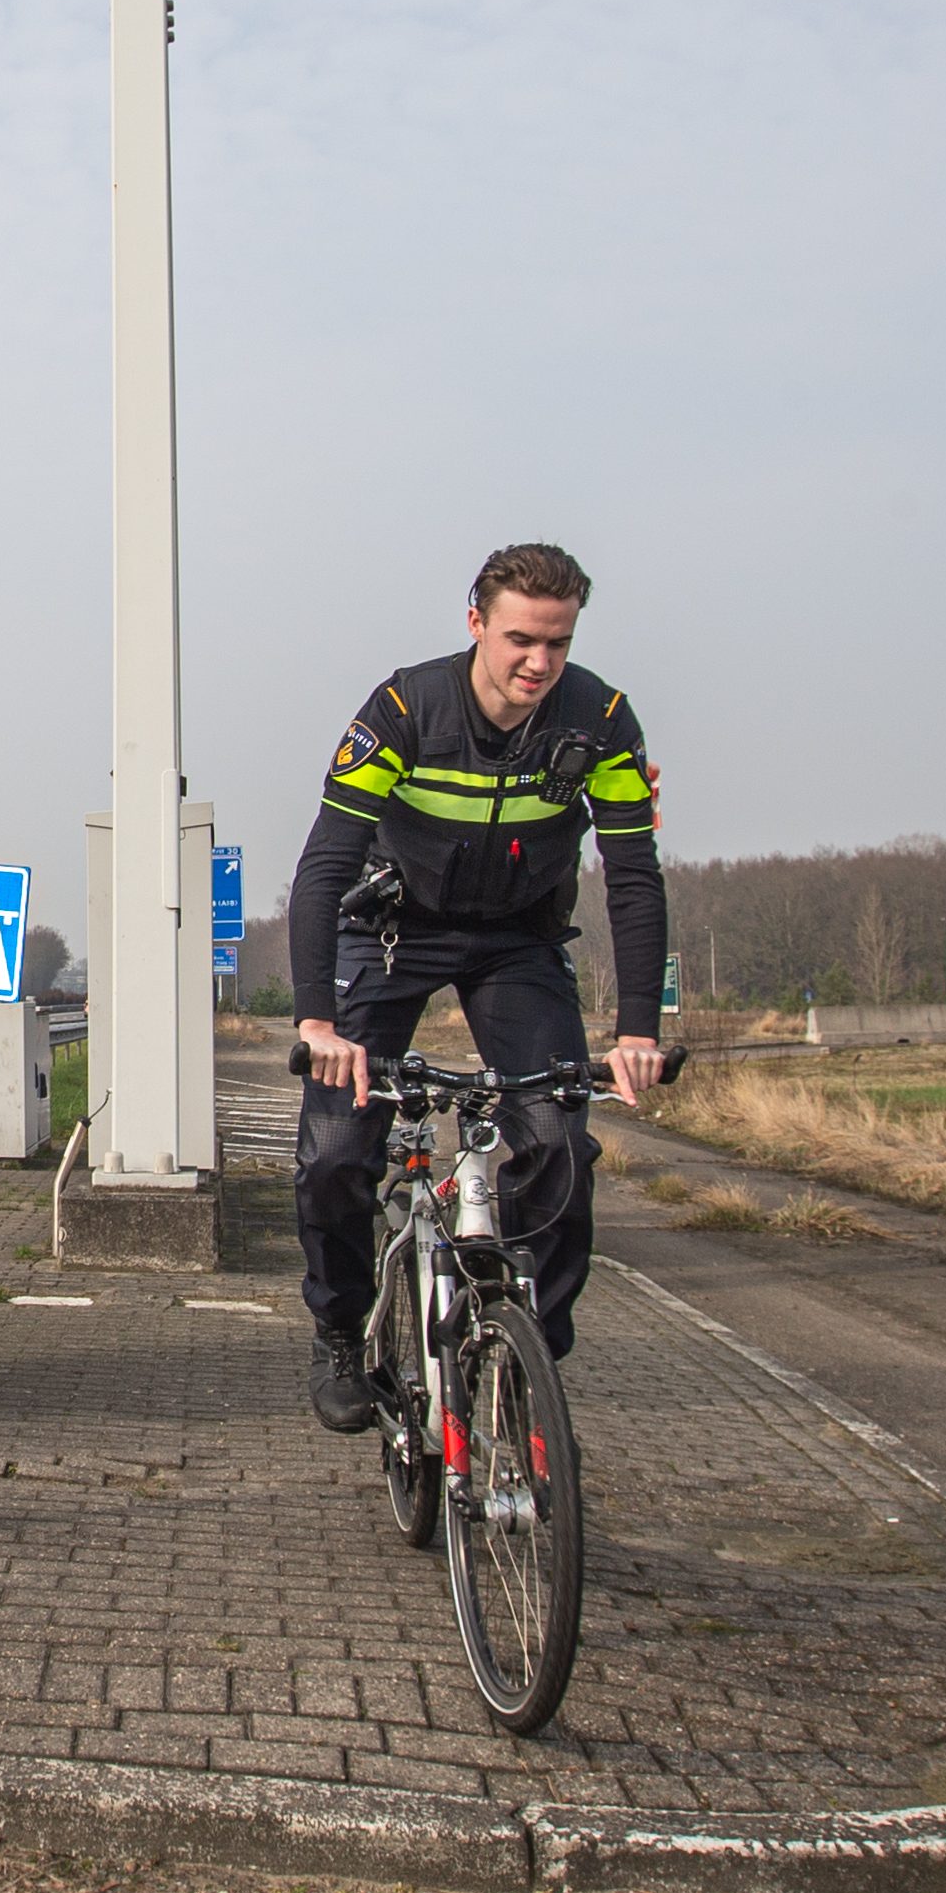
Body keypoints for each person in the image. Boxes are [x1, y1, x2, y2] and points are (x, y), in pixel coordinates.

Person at [288, 542, 667, 1430]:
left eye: (558, 644)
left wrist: (639, 1029)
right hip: (389, 935)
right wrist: (316, 1020)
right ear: (475, 625)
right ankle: (340, 1328)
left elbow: (634, 875)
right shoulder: (404, 708)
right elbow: (323, 864)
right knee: (340, 1151)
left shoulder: (600, 721)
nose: (539, 663)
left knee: (560, 1143)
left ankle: (528, 1339)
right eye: (520, 641)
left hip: (515, 945)